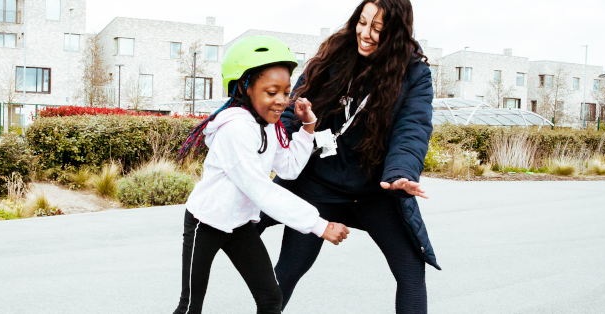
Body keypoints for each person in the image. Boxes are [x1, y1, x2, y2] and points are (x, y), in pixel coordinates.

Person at [254, 0, 440, 313]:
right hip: (319, 185)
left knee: (410, 270)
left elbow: (413, 128)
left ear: (395, 32)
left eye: (377, 29)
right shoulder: (334, 55)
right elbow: (292, 110)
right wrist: (270, 142)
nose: (365, 33)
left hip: (375, 189)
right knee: (288, 270)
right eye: (362, 22)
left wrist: (400, 174)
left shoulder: (414, 74)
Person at [171, 36, 351, 314]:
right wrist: (319, 225)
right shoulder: (234, 130)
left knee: (270, 298)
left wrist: (307, 127)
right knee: (191, 307)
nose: (282, 101)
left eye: (286, 91)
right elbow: (261, 190)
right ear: (244, 88)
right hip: (205, 222)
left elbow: (288, 168)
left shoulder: (269, 126)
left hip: (239, 224)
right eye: (271, 92)